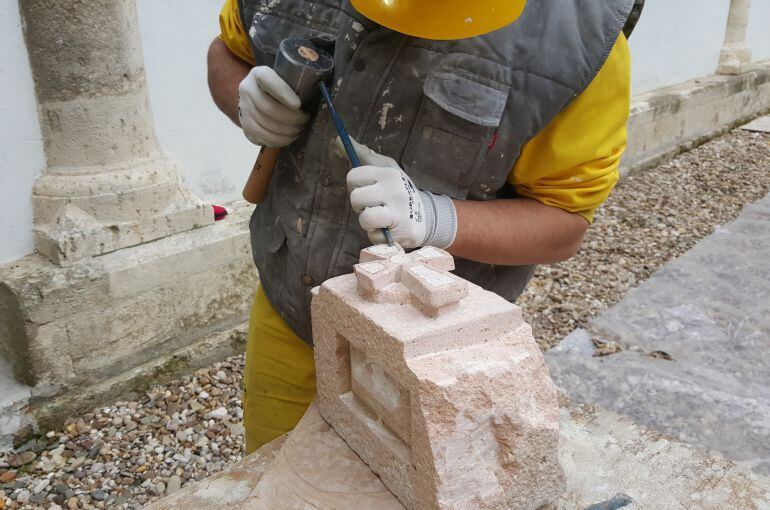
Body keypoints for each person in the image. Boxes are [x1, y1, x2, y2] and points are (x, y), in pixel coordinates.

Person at [208, 0, 636, 453]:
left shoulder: (580, 41)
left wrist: (435, 218)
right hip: (294, 304)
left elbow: (563, 224)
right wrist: (243, 99)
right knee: (275, 477)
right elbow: (227, 51)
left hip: (434, 353)